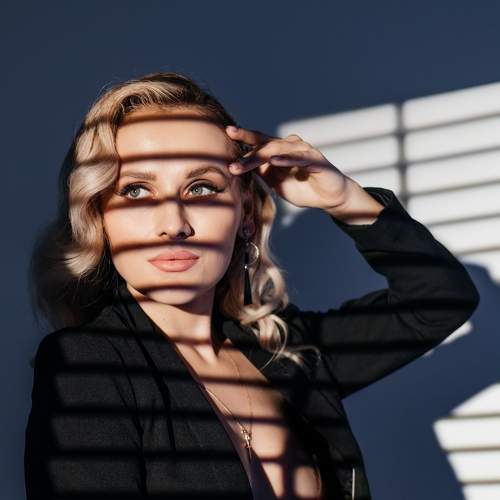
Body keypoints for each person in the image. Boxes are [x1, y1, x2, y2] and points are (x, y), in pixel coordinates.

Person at [24, 72, 480, 500]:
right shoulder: (87, 364)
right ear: (99, 216)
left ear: (243, 213)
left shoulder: (285, 350)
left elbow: (439, 300)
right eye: (136, 190)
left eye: (201, 188)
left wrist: (344, 198)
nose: (174, 224)